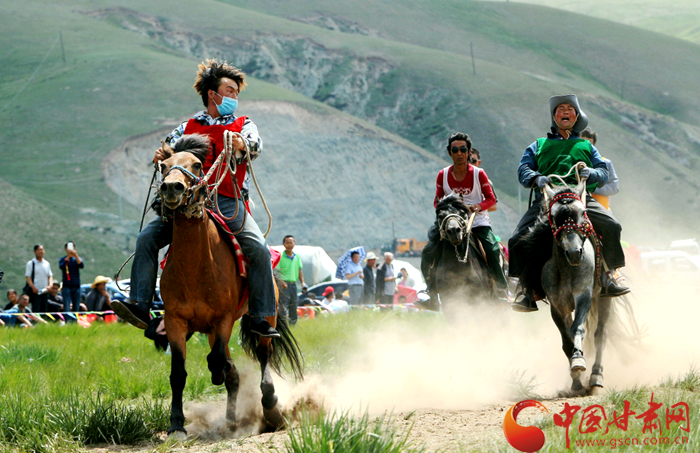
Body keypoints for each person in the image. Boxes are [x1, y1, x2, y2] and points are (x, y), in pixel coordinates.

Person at [112, 59, 280, 338]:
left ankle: (261, 316)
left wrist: (243, 143)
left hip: (228, 201)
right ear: (212, 95)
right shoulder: (188, 126)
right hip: (188, 202)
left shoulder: (244, 124)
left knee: (259, 250)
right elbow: (168, 148)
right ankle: (141, 304)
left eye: (237, 92)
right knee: (146, 239)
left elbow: (256, 145)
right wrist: (161, 155)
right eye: (230, 91)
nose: (235, 97)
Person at [509, 94, 629, 312]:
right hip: (547, 200)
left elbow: (603, 171)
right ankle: (527, 290)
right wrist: (536, 178)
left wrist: (591, 172)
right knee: (517, 238)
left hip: (580, 199)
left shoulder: (586, 146)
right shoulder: (538, 145)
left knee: (612, 225)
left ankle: (610, 277)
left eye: (570, 109)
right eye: (560, 109)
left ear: (576, 117)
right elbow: (523, 169)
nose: (565, 112)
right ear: (554, 117)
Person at [420, 132, 509, 307]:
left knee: (492, 250)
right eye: (455, 150)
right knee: (428, 252)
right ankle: (430, 293)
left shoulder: (479, 174)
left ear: (468, 152)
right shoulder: (442, 175)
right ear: (450, 152)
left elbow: (491, 199)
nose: (459, 153)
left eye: (463, 149)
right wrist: (445, 210)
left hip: (476, 222)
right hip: (450, 222)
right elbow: (437, 201)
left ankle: (501, 290)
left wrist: (477, 206)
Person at [580, 128, 619, 212]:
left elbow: (614, 187)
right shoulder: (570, 163)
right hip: (577, 209)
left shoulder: (605, 163)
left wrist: (592, 188)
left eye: (589, 144)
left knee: (615, 225)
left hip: (601, 211)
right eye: (582, 143)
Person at [277, 235, 307, 326]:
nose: (289, 245)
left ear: (294, 243)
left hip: (294, 285)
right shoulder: (280, 256)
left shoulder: (296, 256)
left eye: (291, 242)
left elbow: (299, 270)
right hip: (283, 285)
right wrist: (281, 282)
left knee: (293, 306)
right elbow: (276, 271)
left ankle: (293, 325)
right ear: (283, 244)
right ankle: (282, 325)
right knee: (283, 306)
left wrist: (302, 283)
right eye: (287, 243)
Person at [24, 244, 53, 313]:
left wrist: (50, 286)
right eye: (39, 250)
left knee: (44, 310)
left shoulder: (46, 264)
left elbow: (50, 276)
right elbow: (28, 277)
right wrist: (33, 288)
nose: (41, 251)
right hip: (36, 291)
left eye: (42, 250)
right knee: (36, 309)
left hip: (45, 291)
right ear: (35, 252)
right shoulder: (31, 263)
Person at [58, 241, 84, 312]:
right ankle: (67, 321)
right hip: (66, 286)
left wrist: (75, 255)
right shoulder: (62, 259)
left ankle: (75, 321)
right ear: (66, 249)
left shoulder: (78, 259)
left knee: (76, 306)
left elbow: (81, 265)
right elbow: (62, 266)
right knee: (66, 306)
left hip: (76, 286)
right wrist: (68, 257)